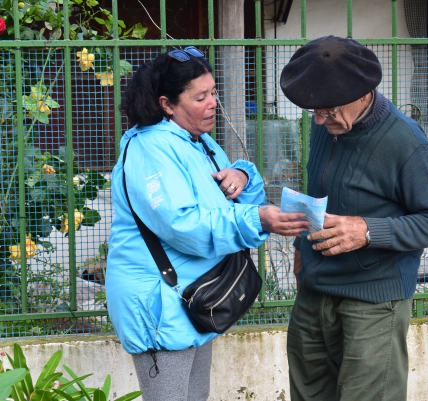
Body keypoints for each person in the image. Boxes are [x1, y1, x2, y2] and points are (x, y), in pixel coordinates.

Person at [106, 47, 309, 401]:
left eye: (213, 92)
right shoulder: (149, 149)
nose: (214, 102)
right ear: (167, 104)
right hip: (161, 305)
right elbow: (185, 226)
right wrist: (258, 219)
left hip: (194, 297)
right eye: (201, 97)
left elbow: (230, 200)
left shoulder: (198, 140)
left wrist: (243, 175)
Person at [279, 36, 428, 401]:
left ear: (363, 93)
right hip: (314, 293)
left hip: (374, 302)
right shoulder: (325, 124)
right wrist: (301, 253)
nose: (318, 119)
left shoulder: (405, 142)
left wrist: (366, 230)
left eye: (327, 110)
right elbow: (318, 191)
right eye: (313, 110)